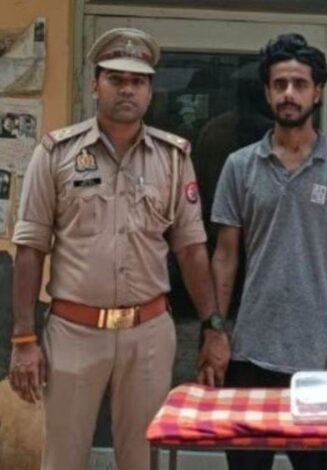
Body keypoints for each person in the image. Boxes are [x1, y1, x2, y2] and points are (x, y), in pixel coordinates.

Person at [7, 28, 228, 470]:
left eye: (138, 81)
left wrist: (213, 325)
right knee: (62, 458)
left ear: (150, 90)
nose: (127, 89)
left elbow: (191, 250)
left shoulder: (172, 158)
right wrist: (24, 339)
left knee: (141, 457)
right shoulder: (56, 154)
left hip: (148, 334)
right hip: (74, 332)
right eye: (116, 78)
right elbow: (30, 248)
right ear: (95, 84)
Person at [210, 33, 327, 470]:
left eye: (299, 84)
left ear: (318, 92)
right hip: (250, 350)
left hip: (319, 356)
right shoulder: (240, 165)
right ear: (267, 92)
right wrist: (216, 331)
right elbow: (225, 256)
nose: (289, 94)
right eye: (279, 84)